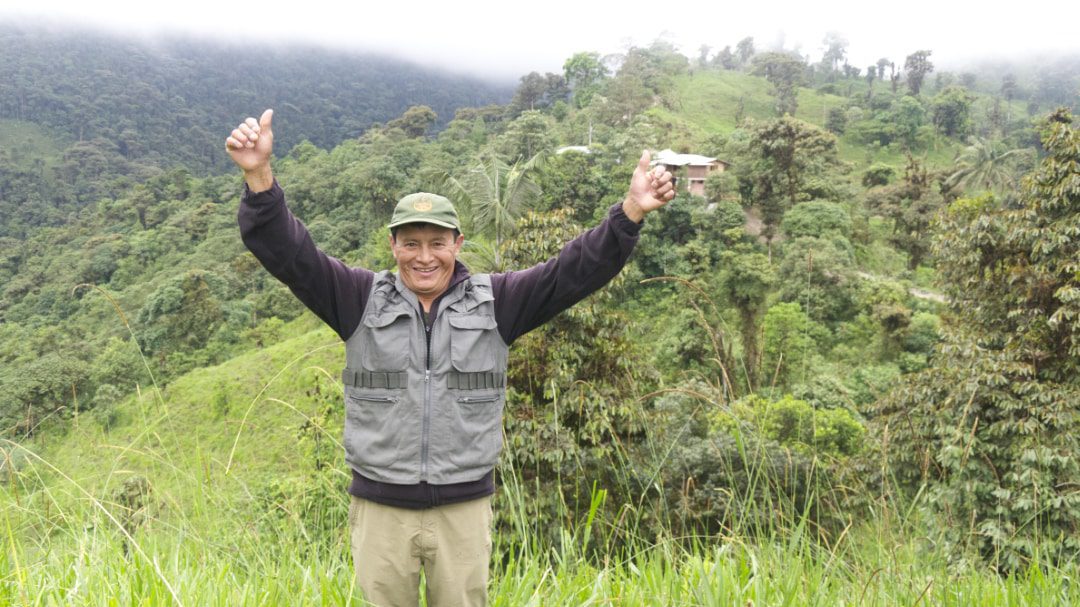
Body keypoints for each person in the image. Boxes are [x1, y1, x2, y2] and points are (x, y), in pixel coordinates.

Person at [226, 109, 674, 607]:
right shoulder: (356, 298)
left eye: (437, 243)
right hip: (380, 510)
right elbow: (290, 254)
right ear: (393, 245)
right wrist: (258, 176)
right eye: (411, 243)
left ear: (457, 244)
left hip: (464, 509)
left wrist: (630, 211)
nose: (424, 257)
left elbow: (572, 272)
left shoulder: (498, 301)